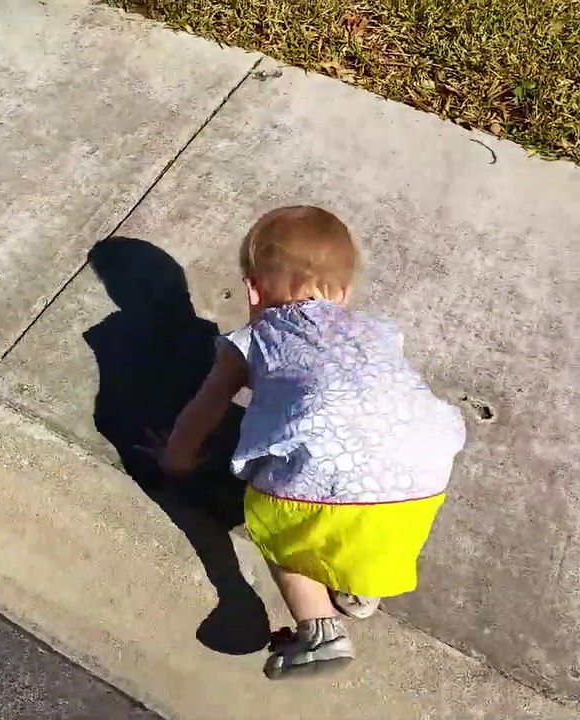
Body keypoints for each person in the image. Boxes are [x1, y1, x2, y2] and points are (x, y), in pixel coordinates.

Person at [145, 206, 466, 679]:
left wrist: (175, 459)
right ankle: (358, 588)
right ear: (345, 292)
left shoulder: (254, 339)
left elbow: (207, 406)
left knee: (285, 532)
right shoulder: (379, 332)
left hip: (328, 479)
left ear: (253, 290)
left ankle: (320, 631)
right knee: (371, 518)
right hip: (422, 472)